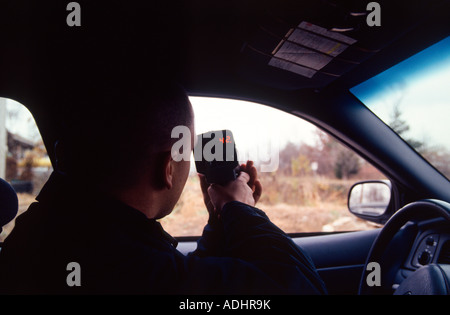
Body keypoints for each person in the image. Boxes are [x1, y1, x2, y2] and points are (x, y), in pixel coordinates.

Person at [0, 79, 326, 295]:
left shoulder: (59, 231)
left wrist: (219, 218)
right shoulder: (120, 264)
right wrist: (241, 209)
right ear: (168, 168)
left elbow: (188, 279)